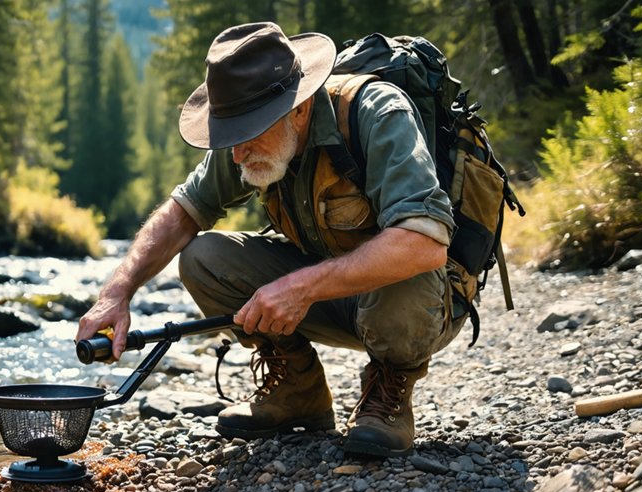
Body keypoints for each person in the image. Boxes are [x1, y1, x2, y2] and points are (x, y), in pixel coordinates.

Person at [76, 22, 464, 457]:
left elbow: (425, 243)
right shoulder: (248, 139)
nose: (236, 154)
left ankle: (390, 390)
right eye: (230, 137)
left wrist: (301, 287)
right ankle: (297, 389)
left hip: (418, 300)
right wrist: (117, 291)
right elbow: (182, 212)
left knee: (408, 266)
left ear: (298, 109)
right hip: (329, 290)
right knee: (202, 257)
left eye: (248, 135)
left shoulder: (377, 113)